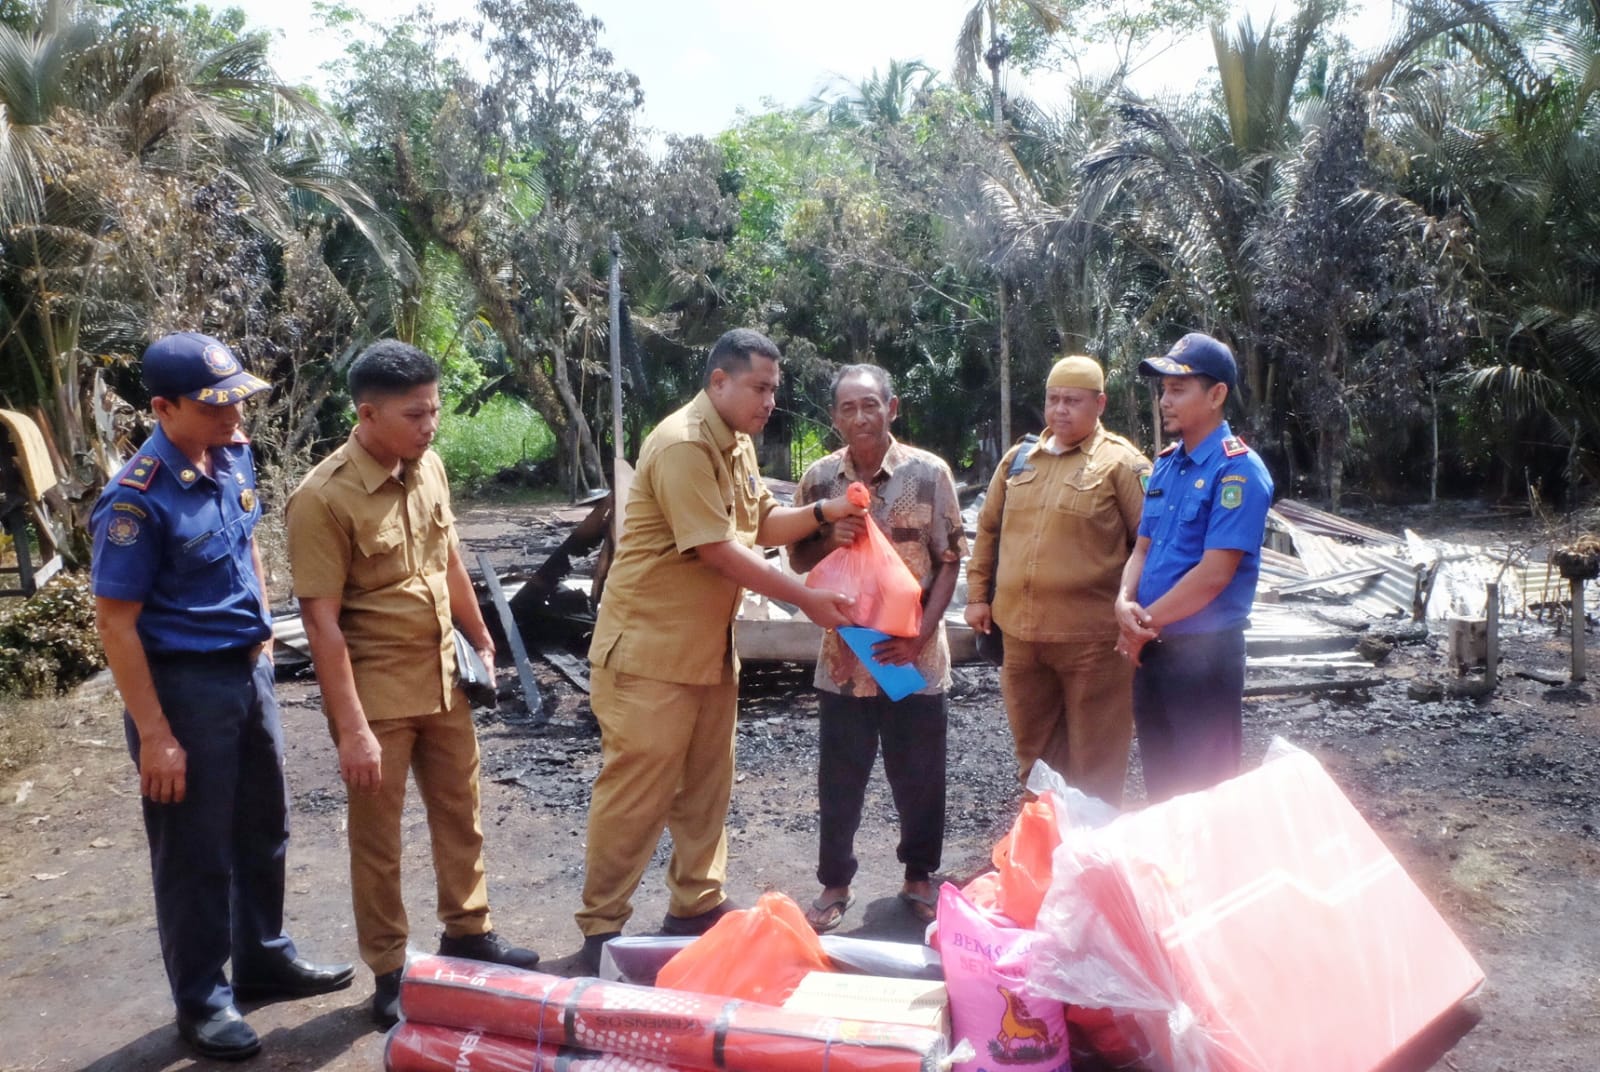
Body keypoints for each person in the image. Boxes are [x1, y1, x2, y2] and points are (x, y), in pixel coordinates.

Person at [90, 333, 353, 1061]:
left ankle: (263, 955)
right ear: (163, 408)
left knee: (263, 826)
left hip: (247, 672)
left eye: (238, 398)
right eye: (215, 406)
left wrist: (263, 632)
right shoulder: (135, 501)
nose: (234, 416)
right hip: (182, 690)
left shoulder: (230, 454)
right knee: (194, 853)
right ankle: (202, 999)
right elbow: (116, 623)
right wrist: (155, 734)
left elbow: (245, 544)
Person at [575, 328, 866, 972]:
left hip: (705, 653)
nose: (768, 402)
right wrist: (804, 599)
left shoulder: (732, 443)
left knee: (707, 788)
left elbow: (760, 522)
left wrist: (824, 510)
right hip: (648, 656)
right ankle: (601, 931)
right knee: (636, 796)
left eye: (773, 390)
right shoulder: (682, 444)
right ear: (719, 382)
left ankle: (695, 906)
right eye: (759, 388)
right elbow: (717, 549)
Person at [285, 340, 538, 1029]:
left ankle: (468, 932)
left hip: (444, 681)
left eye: (434, 411)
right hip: (376, 698)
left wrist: (480, 634)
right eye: (415, 414)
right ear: (367, 414)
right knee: (378, 839)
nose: (430, 426)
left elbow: (448, 556)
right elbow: (322, 625)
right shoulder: (322, 498)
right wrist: (354, 730)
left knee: (462, 813)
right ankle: (391, 969)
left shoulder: (428, 468)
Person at [788, 364, 966, 932]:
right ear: (834, 416)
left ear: (892, 408)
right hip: (845, 659)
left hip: (913, 658)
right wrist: (823, 539)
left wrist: (919, 636)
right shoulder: (819, 480)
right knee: (840, 778)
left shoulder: (930, 474)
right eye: (848, 408)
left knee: (919, 775)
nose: (860, 417)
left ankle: (919, 876)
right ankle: (834, 884)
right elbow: (794, 561)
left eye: (870, 405)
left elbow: (950, 561)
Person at [966, 355, 1150, 806]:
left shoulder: (1122, 465)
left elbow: (1151, 545)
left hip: (1094, 644)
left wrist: (1139, 619)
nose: (1060, 410)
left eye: (1073, 400)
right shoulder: (1019, 459)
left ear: (1100, 403)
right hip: (1022, 639)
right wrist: (976, 597)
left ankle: (1091, 859)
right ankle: (1043, 854)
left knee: (1096, 760)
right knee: (1035, 759)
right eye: (1053, 399)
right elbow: (988, 529)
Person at [1115, 333, 1274, 802]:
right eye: (1163, 389)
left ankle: (1212, 878)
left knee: (1207, 793)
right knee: (1162, 788)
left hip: (1204, 657)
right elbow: (1141, 550)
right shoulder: (1166, 466)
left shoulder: (1239, 472)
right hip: (1154, 650)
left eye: (1178, 389)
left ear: (1217, 394)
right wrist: (1123, 602)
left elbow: (1214, 574)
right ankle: (1171, 878)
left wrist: (1143, 622)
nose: (1165, 400)